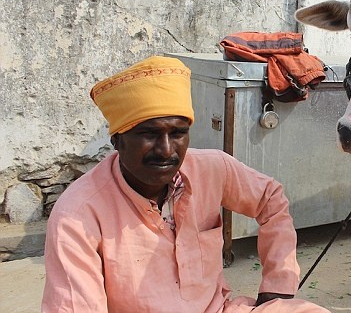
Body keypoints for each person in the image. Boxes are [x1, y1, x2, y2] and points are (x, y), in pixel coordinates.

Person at [42, 55, 330, 313]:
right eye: (149, 134)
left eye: (178, 133)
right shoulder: (77, 216)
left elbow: (270, 199)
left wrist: (277, 286)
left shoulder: (211, 168)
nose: (166, 150)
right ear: (117, 140)